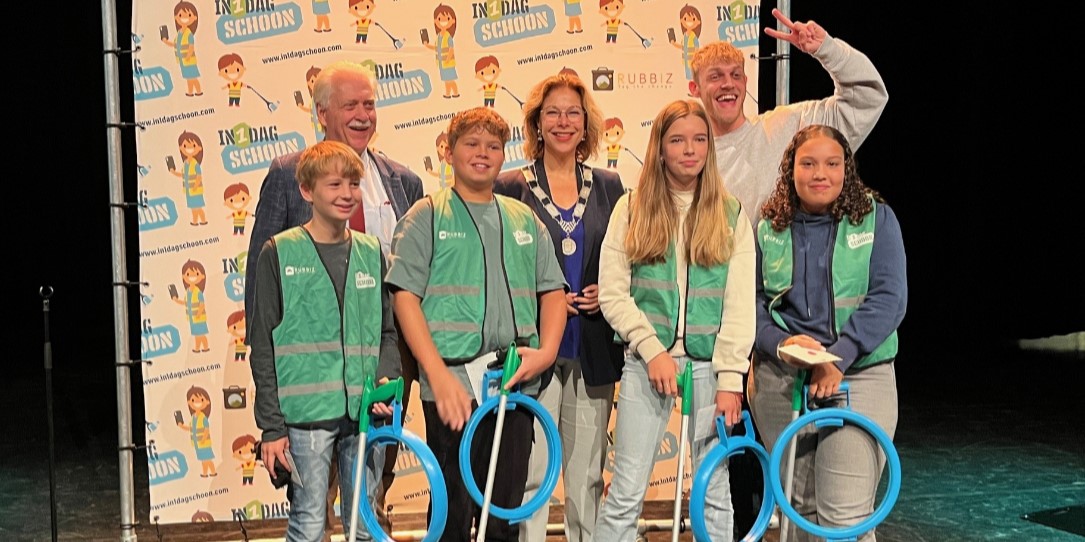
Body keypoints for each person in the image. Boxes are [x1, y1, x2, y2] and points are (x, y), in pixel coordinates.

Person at [244, 59, 423, 534]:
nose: (364, 114)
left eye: (370, 104)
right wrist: (272, 418)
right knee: (311, 511)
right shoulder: (288, 174)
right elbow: (262, 296)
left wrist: (395, 369)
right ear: (322, 112)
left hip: (380, 365)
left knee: (369, 500)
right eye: (351, 105)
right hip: (312, 382)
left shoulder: (403, 180)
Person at [386, 107, 568, 542]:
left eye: (494, 146)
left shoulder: (525, 219)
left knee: (503, 516)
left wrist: (545, 354)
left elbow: (554, 292)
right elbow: (404, 298)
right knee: (450, 516)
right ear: (448, 151)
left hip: (512, 384)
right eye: (471, 144)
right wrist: (436, 375)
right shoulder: (426, 217)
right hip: (451, 387)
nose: (483, 154)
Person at [595, 100, 755, 541]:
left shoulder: (731, 214)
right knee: (625, 491)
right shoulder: (631, 209)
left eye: (700, 139)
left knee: (714, 490)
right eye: (678, 140)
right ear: (660, 147)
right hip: (648, 365)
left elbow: (740, 307)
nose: (690, 150)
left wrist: (731, 379)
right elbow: (613, 292)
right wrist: (651, 350)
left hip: (709, 370)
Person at [751, 125, 905, 541]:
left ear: (846, 169)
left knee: (844, 517)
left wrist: (839, 355)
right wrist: (780, 344)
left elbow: (889, 298)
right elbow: (752, 303)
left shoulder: (876, 218)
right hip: (783, 379)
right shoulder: (768, 226)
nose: (821, 173)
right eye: (809, 163)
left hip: (857, 375)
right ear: (790, 169)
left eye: (832, 164)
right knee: (798, 510)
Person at [493, 73, 625, 542]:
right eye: (553, 112)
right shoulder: (510, 186)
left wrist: (603, 292)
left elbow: (626, 258)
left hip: (593, 346)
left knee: (586, 474)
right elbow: (499, 265)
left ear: (587, 123)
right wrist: (543, 298)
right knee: (531, 474)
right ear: (537, 122)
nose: (564, 122)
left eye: (573, 112)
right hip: (535, 347)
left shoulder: (610, 185)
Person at [249, 140, 401, 541]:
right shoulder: (278, 253)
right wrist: (271, 427)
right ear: (306, 191)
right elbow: (262, 343)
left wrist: (387, 377)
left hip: (364, 411)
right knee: (310, 522)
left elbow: (387, 331)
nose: (346, 194)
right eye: (334, 185)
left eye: (353, 184)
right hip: (304, 419)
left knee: (365, 524)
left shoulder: (372, 253)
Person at [689, 7, 888, 225]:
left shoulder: (789, 126)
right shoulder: (688, 158)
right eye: (715, 76)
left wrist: (827, 49)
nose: (728, 83)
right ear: (695, 88)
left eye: (736, 75)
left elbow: (867, 97)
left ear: (745, 82)